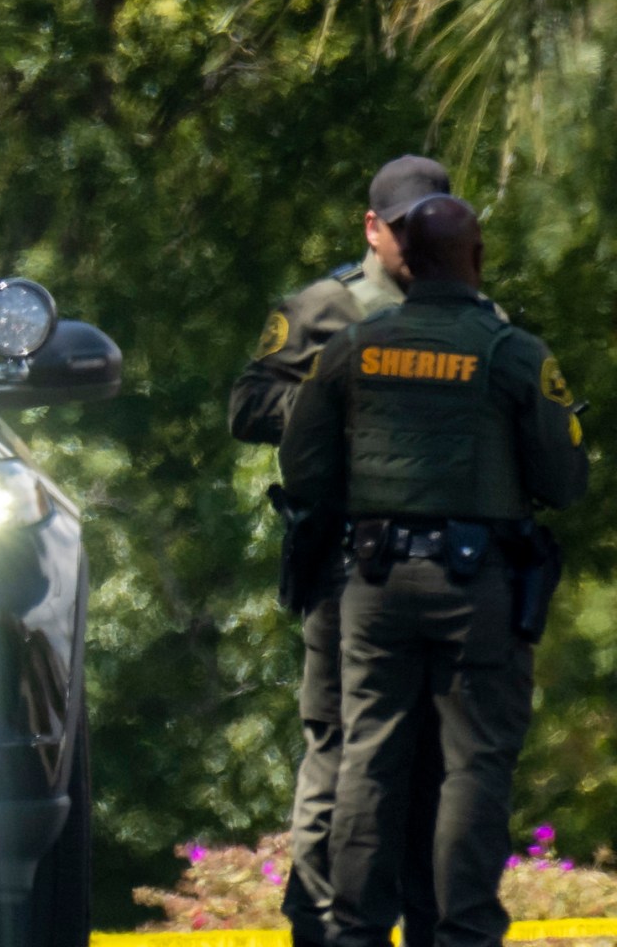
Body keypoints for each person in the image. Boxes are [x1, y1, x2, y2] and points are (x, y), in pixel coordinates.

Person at [280, 195, 590, 947]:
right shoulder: (513, 353)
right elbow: (565, 481)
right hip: (474, 587)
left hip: (373, 584)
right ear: (477, 260)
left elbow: (303, 468)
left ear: (406, 261)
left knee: (368, 756)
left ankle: (354, 931)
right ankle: (463, 934)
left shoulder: (352, 347)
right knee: (473, 763)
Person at [231, 155, 450, 947]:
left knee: (438, 757)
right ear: (372, 227)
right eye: (400, 227)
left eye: (428, 224)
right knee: (342, 746)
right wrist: (346, 391)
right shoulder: (326, 305)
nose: (412, 241)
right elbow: (249, 403)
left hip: (449, 571)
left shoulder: (464, 310)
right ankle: (321, 920)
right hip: (347, 565)